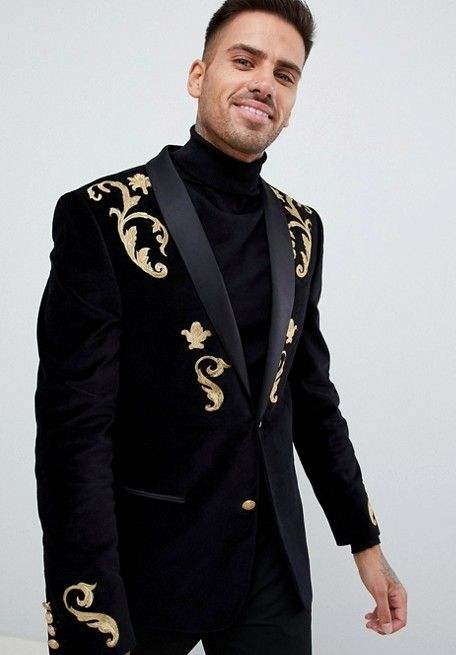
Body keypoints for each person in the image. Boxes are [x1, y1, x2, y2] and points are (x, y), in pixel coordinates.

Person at [34, 1, 407, 653]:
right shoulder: (102, 213)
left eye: (285, 74)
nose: (265, 82)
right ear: (198, 75)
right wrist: (88, 609)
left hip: (270, 570)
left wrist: (364, 540)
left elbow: (311, 398)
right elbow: (74, 432)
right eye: (244, 60)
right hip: (145, 565)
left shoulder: (301, 228)